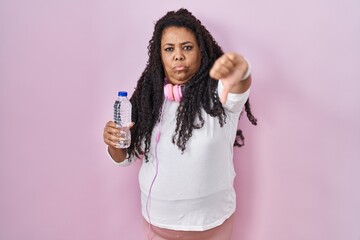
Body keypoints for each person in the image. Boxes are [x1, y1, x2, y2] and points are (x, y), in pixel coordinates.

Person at [103, 8, 257, 240]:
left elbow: (239, 87)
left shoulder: (218, 95)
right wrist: (114, 141)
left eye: (187, 47)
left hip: (212, 225)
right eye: (169, 49)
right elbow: (124, 159)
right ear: (159, 56)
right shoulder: (148, 99)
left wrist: (241, 71)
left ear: (201, 51)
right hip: (157, 223)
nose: (178, 56)